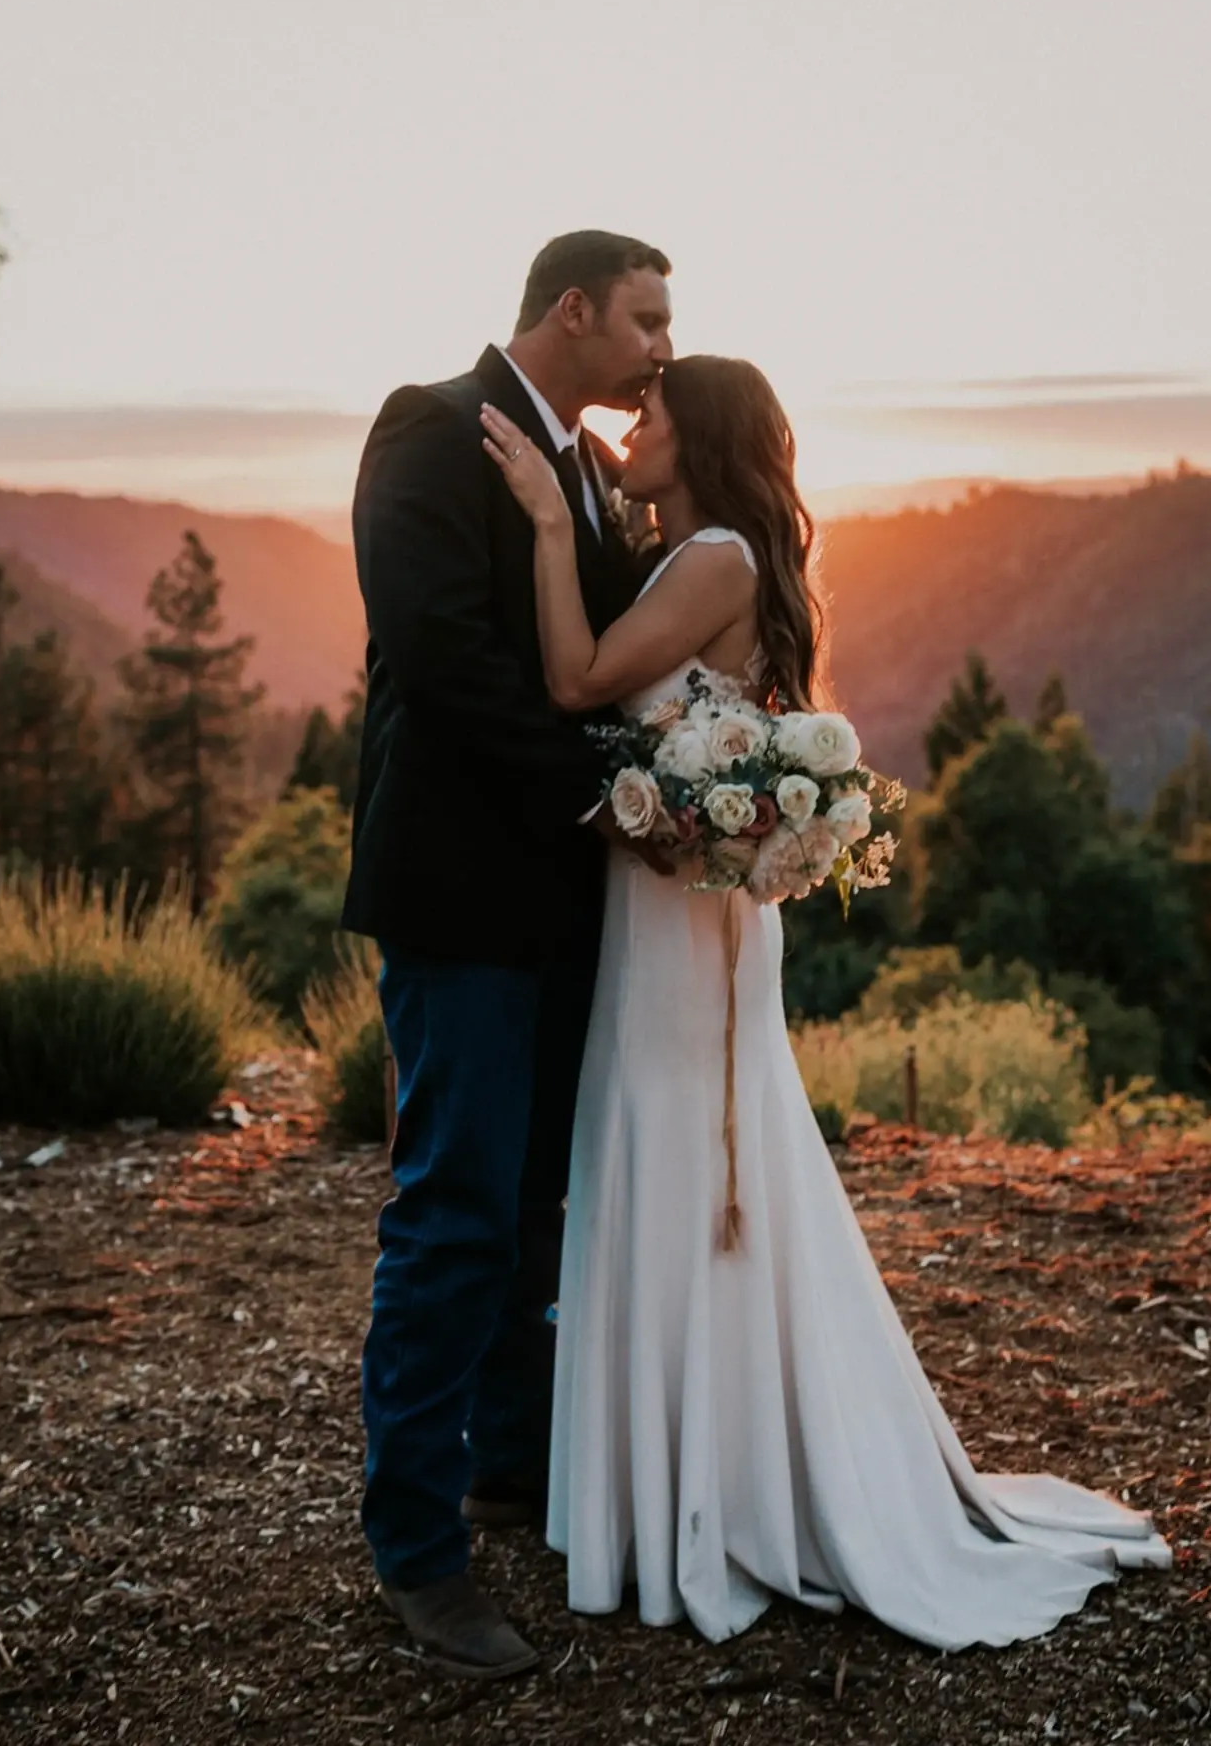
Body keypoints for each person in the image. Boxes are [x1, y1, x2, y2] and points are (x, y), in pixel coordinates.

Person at [479, 355, 1172, 1652]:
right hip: (678, 910)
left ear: (703, 435)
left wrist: (536, 524)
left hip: (685, 929)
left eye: (653, 413)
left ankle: (703, 1493)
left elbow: (577, 683)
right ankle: (689, 1477)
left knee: (682, 1151)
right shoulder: (703, 553)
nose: (633, 428)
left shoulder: (718, 559)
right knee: (670, 1150)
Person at [341, 231, 673, 1678]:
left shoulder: (592, 472)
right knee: (455, 1210)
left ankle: (512, 1465)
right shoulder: (429, 424)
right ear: (575, 309)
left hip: (570, 904)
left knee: (540, 1202)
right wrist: (602, 791)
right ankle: (418, 1550)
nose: (664, 346)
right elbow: (442, 651)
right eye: (649, 318)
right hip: (463, 896)